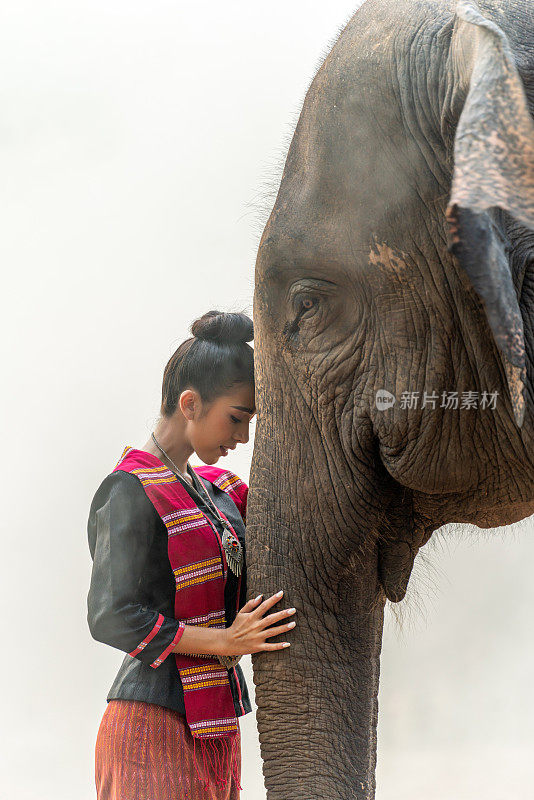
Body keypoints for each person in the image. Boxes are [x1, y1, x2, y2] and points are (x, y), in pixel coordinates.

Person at [86, 310, 297, 800]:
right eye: (236, 418)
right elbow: (110, 615)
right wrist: (224, 643)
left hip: (218, 729)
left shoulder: (222, 493)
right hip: (150, 731)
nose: (243, 436)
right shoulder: (128, 490)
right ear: (190, 403)